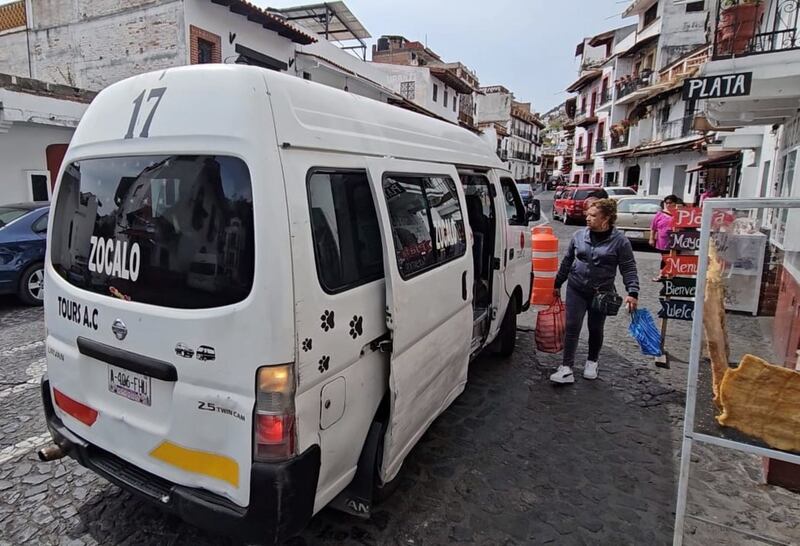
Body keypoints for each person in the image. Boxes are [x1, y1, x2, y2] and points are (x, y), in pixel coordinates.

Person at [550, 199, 640, 384]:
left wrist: (632, 292)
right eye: (587, 215)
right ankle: (566, 367)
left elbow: (628, 267)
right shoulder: (578, 236)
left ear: (606, 218)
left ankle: (592, 361)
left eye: (593, 216)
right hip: (576, 288)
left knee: (595, 327)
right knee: (572, 325)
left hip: (602, 293)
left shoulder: (620, 242)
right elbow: (568, 261)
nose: (588, 219)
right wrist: (557, 283)